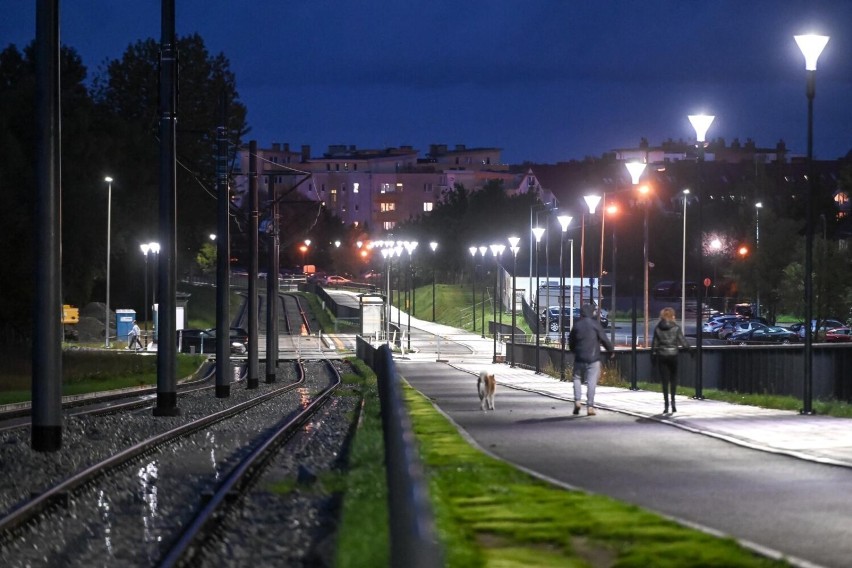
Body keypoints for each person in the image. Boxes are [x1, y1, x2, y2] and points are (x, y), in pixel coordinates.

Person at [568, 303, 615, 416]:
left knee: (577, 378)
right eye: (594, 311)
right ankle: (590, 406)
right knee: (591, 382)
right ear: (591, 312)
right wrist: (611, 351)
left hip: (579, 357)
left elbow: (571, 342)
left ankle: (577, 401)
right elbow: (604, 339)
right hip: (593, 359)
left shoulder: (577, 325)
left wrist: (575, 351)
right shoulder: (596, 325)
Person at [651, 307, 691, 413]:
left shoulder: (658, 328)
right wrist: (690, 350)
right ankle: (673, 403)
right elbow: (683, 342)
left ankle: (666, 405)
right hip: (673, 355)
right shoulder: (676, 328)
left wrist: (653, 357)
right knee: (673, 380)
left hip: (662, 356)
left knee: (664, 382)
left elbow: (654, 344)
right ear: (672, 316)